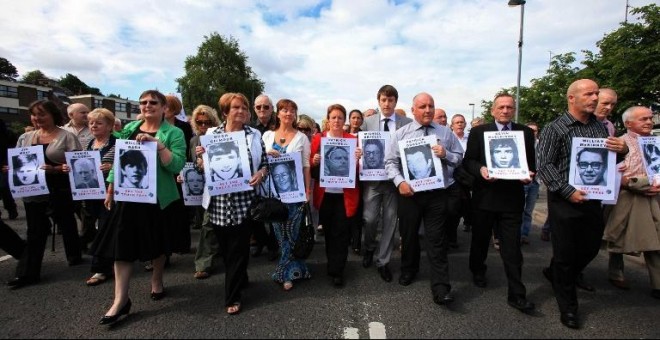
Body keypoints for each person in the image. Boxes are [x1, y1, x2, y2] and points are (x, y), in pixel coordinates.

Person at [537, 79, 629, 329]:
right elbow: (544, 165)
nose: (595, 98)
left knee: (589, 248)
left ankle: (555, 271)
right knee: (566, 253)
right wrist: (568, 191)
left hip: (593, 199)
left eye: (596, 94)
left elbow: (610, 158)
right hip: (565, 201)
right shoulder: (555, 128)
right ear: (572, 98)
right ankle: (568, 306)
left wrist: (623, 149)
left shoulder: (599, 128)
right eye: (589, 94)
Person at [90, 89, 186, 325]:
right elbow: (118, 161)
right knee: (121, 247)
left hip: (159, 199)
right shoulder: (130, 130)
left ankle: (157, 278)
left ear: (164, 108)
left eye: (153, 102)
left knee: (158, 245)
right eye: (143, 102)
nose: (147, 106)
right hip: (129, 199)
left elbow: (176, 165)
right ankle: (120, 300)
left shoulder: (173, 133)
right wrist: (111, 185)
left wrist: (157, 144)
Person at [385, 92, 463, 306]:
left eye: (431, 106)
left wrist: (445, 154)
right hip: (410, 195)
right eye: (422, 106)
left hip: (438, 194)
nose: (427, 110)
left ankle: (441, 287)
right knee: (409, 236)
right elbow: (390, 162)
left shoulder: (445, 133)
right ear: (413, 110)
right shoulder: (401, 134)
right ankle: (409, 269)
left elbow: (458, 159)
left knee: (437, 240)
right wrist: (400, 182)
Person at [463, 93, 537, 314]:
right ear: (493, 110)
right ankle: (477, 270)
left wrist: (529, 175)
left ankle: (517, 294)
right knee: (480, 239)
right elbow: (469, 161)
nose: (505, 111)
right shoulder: (479, 132)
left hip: (512, 199)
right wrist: (481, 170)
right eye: (501, 107)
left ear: (513, 110)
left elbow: (531, 163)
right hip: (485, 197)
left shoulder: (524, 133)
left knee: (512, 247)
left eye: (509, 107)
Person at [197, 92, 268, 315]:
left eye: (245, 108)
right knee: (227, 250)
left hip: (244, 201)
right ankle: (241, 277)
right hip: (218, 202)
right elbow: (202, 166)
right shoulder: (211, 134)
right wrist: (200, 159)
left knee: (238, 249)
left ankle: (232, 296)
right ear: (225, 111)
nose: (242, 111)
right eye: (236, 107)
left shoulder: (254, 135)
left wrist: (261, 173)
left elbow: (265, 162)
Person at [6, 99, 83, 290]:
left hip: (60, 188)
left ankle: (74, 255)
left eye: (42, 114)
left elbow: (79, 163)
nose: (37, 118)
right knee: (35, 231)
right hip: (33, 189)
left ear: (52, 115)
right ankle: (27, 273)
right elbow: (19, 161)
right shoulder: (25, 138)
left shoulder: (67, 136)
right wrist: (13, 168)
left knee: (66, 222)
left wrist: (56, 168)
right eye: (34, 114)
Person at [603, 106, 660, 298]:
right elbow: (610, 173)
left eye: (650, 118)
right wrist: (636, 183)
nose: (649, 122)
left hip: (654, 198)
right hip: (625, 197)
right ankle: (616, 272)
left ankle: (657, 283)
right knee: (618, 236)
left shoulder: (657, 142)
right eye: (643, 119)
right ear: (628, 123)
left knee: (656, 240)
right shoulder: (618, 143)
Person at [360, 85, 413, 283]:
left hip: (395, 181)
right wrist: (358, 154)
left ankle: (383, 261)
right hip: (373, 181)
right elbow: (359, 146)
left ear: (395, 102)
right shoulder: (367, 122)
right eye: (384, 100)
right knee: (370, 219)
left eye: (391, 100)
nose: (387, 103)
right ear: (379, 101)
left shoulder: (406, 123)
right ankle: (369, 248)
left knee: (391, 222)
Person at [62, 108, 117, 285]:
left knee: (104, 228)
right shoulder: (90, 144)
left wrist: (112, 168)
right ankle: (113, 259)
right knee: (97, 228)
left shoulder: (117, 144)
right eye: (91, 122)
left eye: (98, 123)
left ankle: (100, 269)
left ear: (110, 126)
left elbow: (125, 166)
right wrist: (70, 168)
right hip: (91, 193)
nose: (93, 125)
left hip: (111, 192)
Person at [263, 98, 312, 291]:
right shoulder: (267, 136)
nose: (288, 113)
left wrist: (307, 190)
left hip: (295, 193)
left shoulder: (302, 138)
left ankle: (285, 273)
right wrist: (267, 155)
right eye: (284, 110)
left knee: (291, 233)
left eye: (292, 110)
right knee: (279, 233)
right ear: (278, 113)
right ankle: (296, 268)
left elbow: (306, 166)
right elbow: (260, 162)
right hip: (274, 194)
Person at [311, 103, 360, 287]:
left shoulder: (353, 140)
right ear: (328, 120)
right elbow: (310, 164)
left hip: (344, 196)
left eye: (340, 117)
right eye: (333, 117)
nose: (337, 121)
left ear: (344, 120)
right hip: (325, 195)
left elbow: (358, 170)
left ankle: (337, 271)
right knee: (330, 233)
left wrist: (358, 157)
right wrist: (314, 160)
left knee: (341, 233)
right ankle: (332, 263)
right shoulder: (318, 138)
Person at [189, 104, 222, 280]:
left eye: (207, 122)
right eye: (199, 122)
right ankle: (203, 263)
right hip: (204, 188)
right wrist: (198, 164)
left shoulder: (222, 136)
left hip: (223, 185)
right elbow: (192, 165)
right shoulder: (194, 141)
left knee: (213, 224)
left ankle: (208, 261)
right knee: (207, 224)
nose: (203, 126)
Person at [520, 122, 540, 245]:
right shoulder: (521, 144)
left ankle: (524, 234)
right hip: (522, 181)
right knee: (519, 209)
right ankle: (516, 234)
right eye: (530, 130)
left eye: (535, 130)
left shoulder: (541, 145)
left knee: (528, 211)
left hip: (536, 182)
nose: (532, 132)